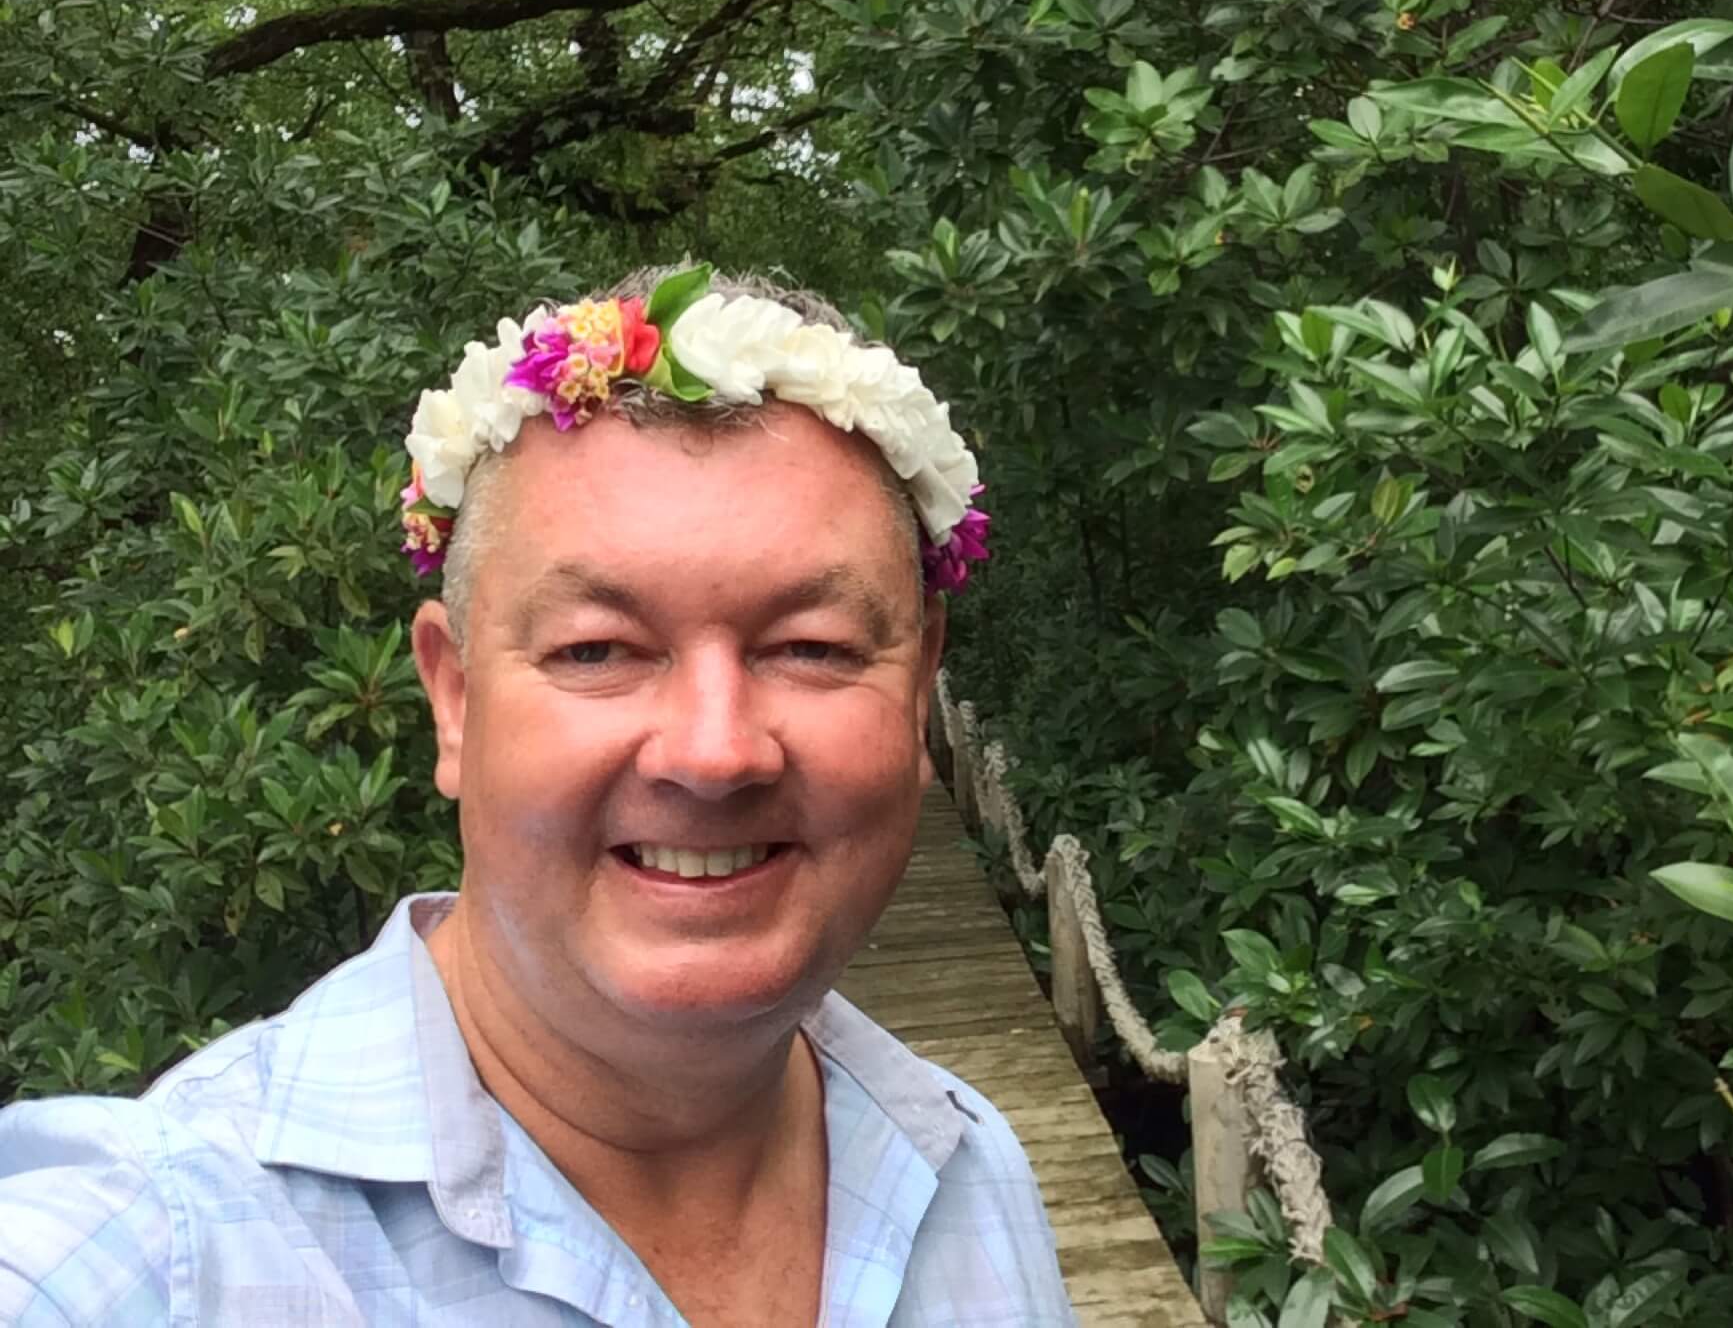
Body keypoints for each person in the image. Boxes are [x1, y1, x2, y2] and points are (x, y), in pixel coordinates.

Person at [0, 264, 1072, 1326]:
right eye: (597, 647)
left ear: (917, 692)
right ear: (454, 698)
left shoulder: (970, 1169)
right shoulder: (159, 1249)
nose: (713, 750)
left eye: (811, 646)